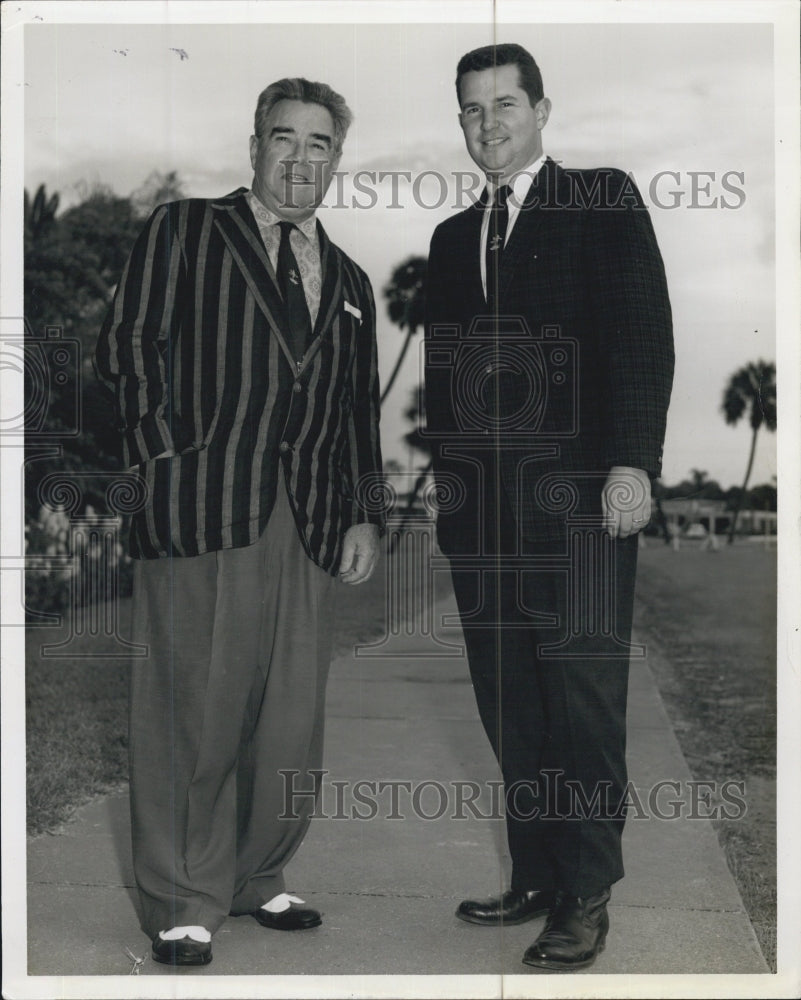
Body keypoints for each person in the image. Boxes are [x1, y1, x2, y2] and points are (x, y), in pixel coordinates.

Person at [95, 77, 383, 967]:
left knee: (288, 715)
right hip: (201, 511)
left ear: (337, 158)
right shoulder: (184, 230)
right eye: (284, 139)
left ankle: (260, 876)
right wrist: (167, 457)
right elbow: (129, 349)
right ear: (254, 144)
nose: (301, 160)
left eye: (320, 144)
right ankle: (184, 893)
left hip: (307, 522)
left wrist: (365, 513)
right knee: (196, 707)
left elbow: (354, 411)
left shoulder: (349, 278)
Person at [424, 44, 674, 971]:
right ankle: (532, 872)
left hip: (577, 506)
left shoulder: (600, 199)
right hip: (482, 521)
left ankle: (585, 895)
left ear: (540, 109)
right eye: (470, 110)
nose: (487, 124)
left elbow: (642, 335)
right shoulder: (456, 239)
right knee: (510, 707)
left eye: (504, 105)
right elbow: (447, 386)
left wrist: (629, 464)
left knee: (579, 705)